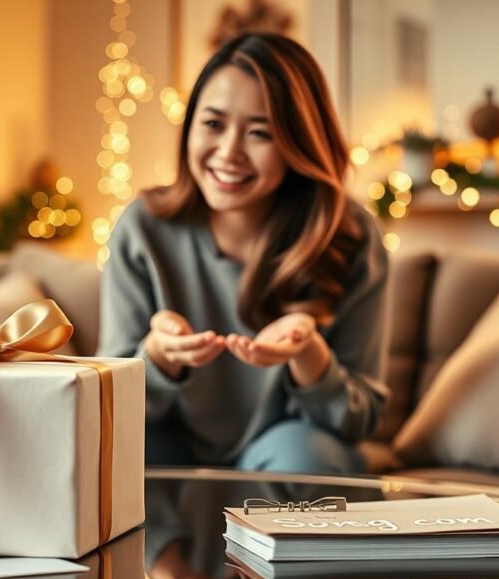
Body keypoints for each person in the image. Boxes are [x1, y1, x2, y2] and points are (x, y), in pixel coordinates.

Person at [98, 33, 390, 477]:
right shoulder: (142, 227)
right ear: (190, 127)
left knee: (309, 458)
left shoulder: (349, 234)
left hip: (289, 448)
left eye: (260, 133)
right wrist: (158, 355)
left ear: (299, 144)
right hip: (164, 442)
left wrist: (309, 354)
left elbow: (358, 420)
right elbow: (106, 411)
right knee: (115, 455)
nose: (229, 153)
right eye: (213, 124)